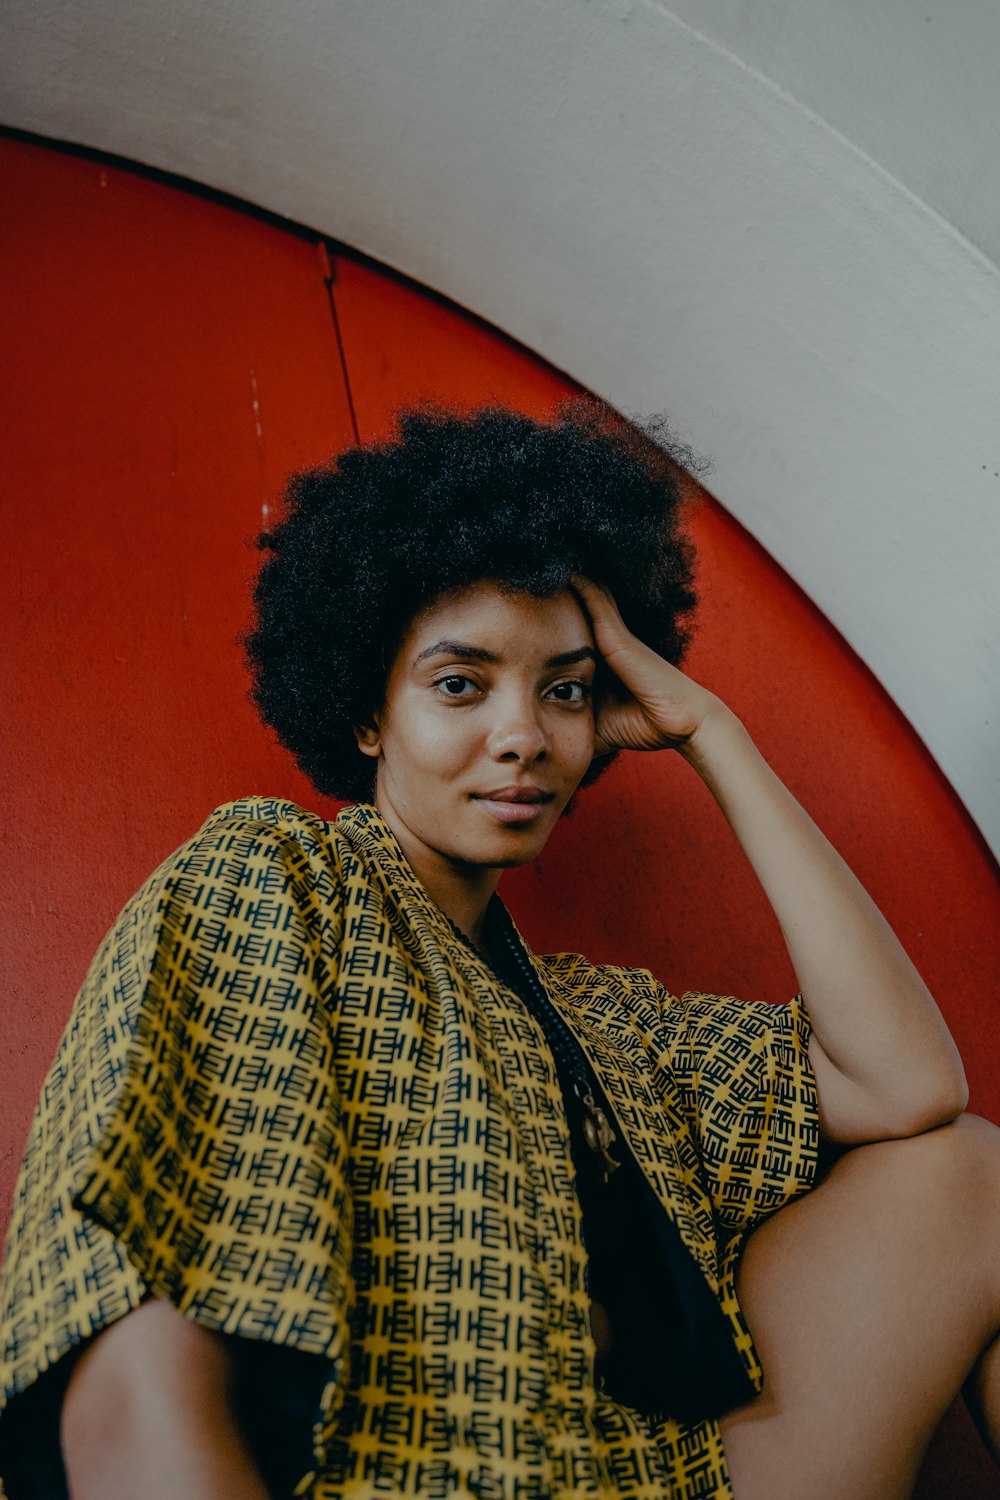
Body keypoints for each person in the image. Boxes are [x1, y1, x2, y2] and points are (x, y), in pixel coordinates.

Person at [1, 401, 998, 1500]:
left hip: (644, 1475)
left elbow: (905, 1090)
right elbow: (141, 1366)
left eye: (564, 689)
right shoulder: (276, 882)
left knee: (970, 1171)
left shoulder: (612, 1025)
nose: (523, 734)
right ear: (368, 710)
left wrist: (715, 735)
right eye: (459, 684)